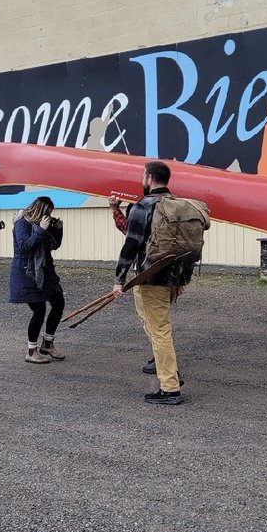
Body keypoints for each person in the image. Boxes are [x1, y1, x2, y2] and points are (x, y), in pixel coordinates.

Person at [112, 160, 186, 406]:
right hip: (172, 277)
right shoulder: (177, 205)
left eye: (143, 175)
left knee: (160, 329)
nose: (142, 179)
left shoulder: (143, 206)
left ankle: (170, 388)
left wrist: (119, 279)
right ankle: (169, 371)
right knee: (153, 324)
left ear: (150, 178)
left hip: (149, 277)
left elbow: (131, 243)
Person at [9, 196, 66, 363]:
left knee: (58, 302)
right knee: (39, 310)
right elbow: (25, 247)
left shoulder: (42, 224)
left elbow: (54, 245)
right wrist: (41, 229)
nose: (49, 216)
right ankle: (31, 351)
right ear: (40, 211)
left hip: (46, 271)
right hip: (28, 273)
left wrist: (58, 229)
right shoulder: (22, 222)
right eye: (47, 213)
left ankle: (47, 344)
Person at [109, 194, 155, 376]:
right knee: (158, 320)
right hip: (166, 272)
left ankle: (163, 363)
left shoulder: (141, 208)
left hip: (145, 273)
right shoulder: (163, 206)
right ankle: (162, 358)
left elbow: (129, 233)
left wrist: (119, 280)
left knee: (151, 321)